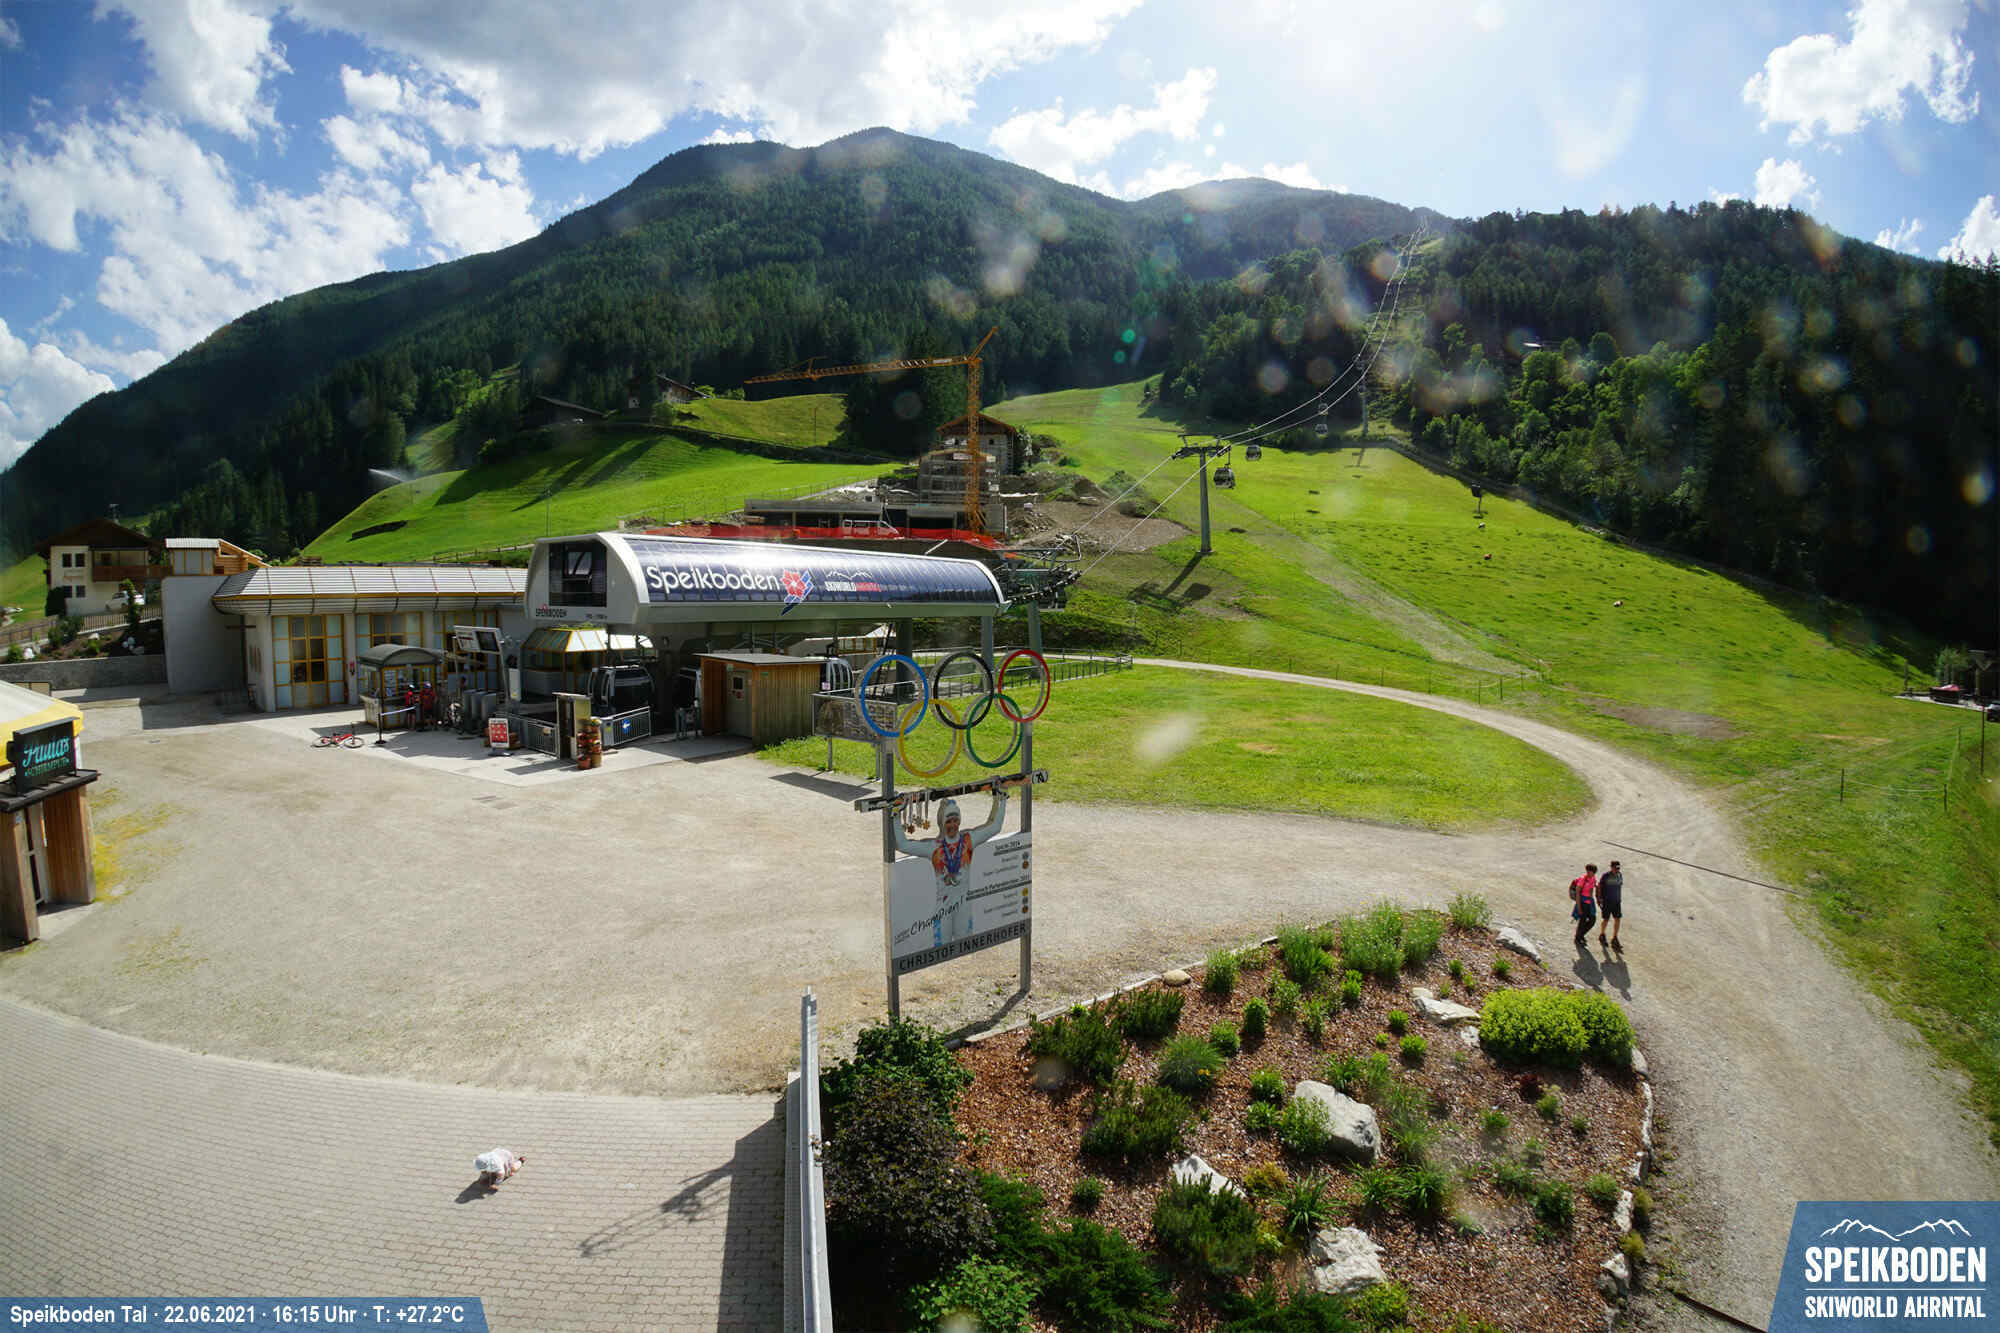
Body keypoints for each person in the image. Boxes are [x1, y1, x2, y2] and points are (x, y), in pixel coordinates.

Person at [893, 786, 1010, 948]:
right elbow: (902, 845)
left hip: (964, 903)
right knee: (941, 947)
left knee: (965, 944)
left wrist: (1001, 799)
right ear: (942, 823)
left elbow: (994, 827)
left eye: (956, 820)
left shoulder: (968, 840)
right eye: (948, 821)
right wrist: (895, 815)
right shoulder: (934, 847)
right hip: (943, 906)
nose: (953, 825)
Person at [1569, 863, 1598, 949]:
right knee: (1582, 921)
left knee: (1592, 920)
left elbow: (1592, 889)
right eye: (1589, 871)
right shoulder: (1583, 879)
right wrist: (1579, 907)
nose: (1590, 873)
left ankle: (1580, 935)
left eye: (1592, 872)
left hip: (1589, 902)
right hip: (1582, 903)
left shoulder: (1593, 878)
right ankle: (1578, 938)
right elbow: (1578, 894)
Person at [1597, 860, 1624, 950]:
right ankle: (1602, 934)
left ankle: (1615, 937)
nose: (1617, 870)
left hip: (1616, 902)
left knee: (1617, 919)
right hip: (1607, 901)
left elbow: (1619, 887)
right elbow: (1599, 887)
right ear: (1611, 867)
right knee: (1606, 919)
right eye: (1616, 868)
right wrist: (1599, 899)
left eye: (1618, 868)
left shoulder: (1620, 875)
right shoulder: (1606, 876)